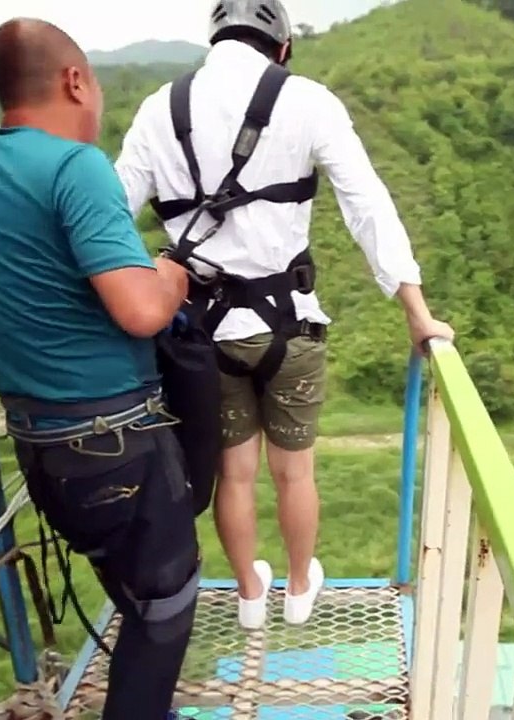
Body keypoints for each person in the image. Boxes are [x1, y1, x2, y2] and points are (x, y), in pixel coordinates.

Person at [114, 0, 454, 630]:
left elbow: (109, 214)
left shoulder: (160, 108)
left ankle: (249, 595)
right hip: (288, 324)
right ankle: (300, 589)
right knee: (293, 471)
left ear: (214, 37)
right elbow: (367, 206)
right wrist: (417, 312)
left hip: (202, 334)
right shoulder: (308, 101)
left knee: (234, 474)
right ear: (284, 45)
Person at [0, 18, 198, 720]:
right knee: (166, 611)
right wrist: (168, 276)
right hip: (117, 442)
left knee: (134, 593)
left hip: (41, 447)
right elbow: (141, 311)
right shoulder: (75, 167)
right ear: (75, 80)